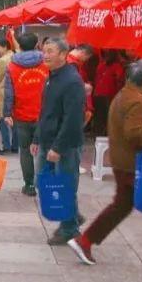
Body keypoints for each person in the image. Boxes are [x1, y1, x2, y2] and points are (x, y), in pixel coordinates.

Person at [67, 59, 142, 270]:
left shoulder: (126, 94)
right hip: (134, 164)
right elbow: (135, 134)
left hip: (124, 161)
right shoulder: (137, 102)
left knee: (122, 206)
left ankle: (85, 241)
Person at [34, 38, 87, 246]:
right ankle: (73, 216)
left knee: (64, 186)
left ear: (64, 55)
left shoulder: (71, 81)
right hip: (47, 140)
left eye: (50, 51)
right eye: (44, 51)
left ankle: (69, 229)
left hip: (64, 145)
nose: (45, 55)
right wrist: (37, 137)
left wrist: (58, 147)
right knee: (43, 183)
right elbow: (45, 111)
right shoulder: (52, 77)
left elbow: (73, 118)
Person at [4, 33, 48, 197]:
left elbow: (9, 92)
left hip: (22, 114)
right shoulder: (46, 63)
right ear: (37, 45)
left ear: (19, 46)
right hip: (44, 114)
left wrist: (7, 113)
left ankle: (29, 184)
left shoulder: (12, 66)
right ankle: (46, 183)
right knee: (46, 149)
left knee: (25, 150)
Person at [0, 38, 16, 153]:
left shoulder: (2, 60)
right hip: (14, 91)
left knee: (2, 119)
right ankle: (15, 145)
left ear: (5, 47)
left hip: (3, 91)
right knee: (14, 119)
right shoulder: (15, 56)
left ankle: (6, 145)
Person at [93, 50, 125, 137]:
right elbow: (119, 80)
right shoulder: (117, 66)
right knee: (108, 115)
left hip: (98, 93)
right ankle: (107, 134)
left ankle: (98, 133)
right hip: (109, 94)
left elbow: (97, 78)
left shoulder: (101, 65)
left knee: (99, 115)